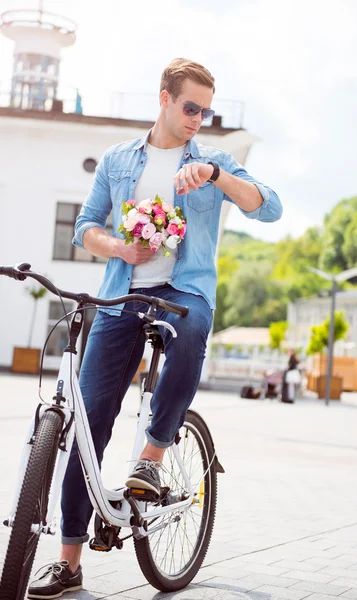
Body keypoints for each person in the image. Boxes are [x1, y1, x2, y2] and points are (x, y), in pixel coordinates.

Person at [28, 58, 282, 598]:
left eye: (206, 111)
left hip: (183, 291)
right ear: (164, 99)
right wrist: (122, 247)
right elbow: (85, 228)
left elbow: (270, 208)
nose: (198, 119)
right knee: (88, 423)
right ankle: (70, 562)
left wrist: (217, 176)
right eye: (191, 107)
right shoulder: (120, 160)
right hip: (123, 295)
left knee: (192, 331)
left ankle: (153, 457)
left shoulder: (212, 159)